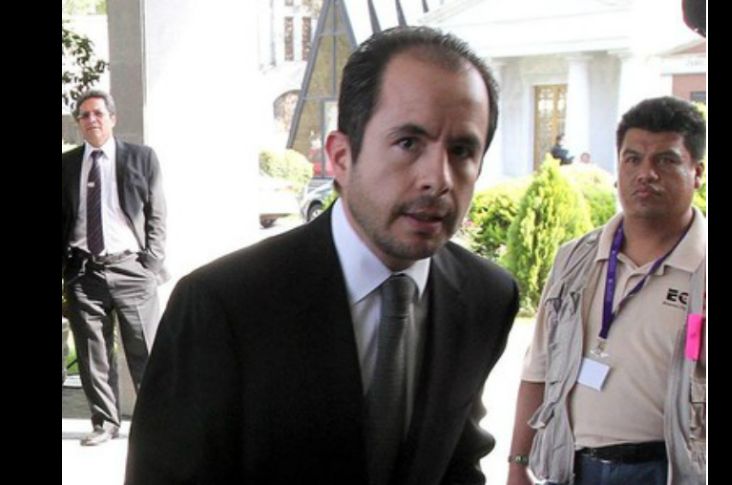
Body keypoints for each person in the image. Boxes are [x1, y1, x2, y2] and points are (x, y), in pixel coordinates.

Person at [125, 26, 519, 485]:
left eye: (462, 150)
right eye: (409, 143)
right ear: (341, 156)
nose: (439, 178)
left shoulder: (486, 298)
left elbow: (456, 459)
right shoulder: (222, 305)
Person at [506, 96, 706, 485]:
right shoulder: (576, 259)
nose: (646, 173)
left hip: (666, 472)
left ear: (696, 172)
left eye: (665, 160)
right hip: (572, 468)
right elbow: (538, 368)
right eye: (633, 159)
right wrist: (518, 463)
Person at [62, 89, 168, 446]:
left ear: (112, 118)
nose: (91, 119)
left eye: (98, 113)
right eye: (84, 115)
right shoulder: (67, 165)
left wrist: (151, 263)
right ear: (78, 123)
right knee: (93, 354)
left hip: (131, 269)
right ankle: (105, 423)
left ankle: (157, 423)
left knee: (145, 351)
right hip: (84, 271)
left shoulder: (141, 157)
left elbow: (157, 213)